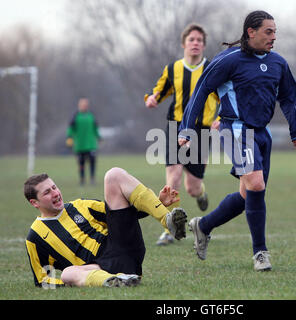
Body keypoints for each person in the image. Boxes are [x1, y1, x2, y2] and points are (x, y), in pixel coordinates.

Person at [178, 10, 296, 271]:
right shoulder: (229, 60)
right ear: (251, 32)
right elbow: (202, 90)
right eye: (268, 32)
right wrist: (186, 129)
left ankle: (203, 226)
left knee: (248, 194)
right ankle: (260, 253)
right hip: (235, 130)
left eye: (275, 32)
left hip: (261, 133)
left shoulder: (278, 63)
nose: (274, 37)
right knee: (256, 184)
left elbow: (288, 98)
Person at [24, 167, 187, 287]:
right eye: (47, 192)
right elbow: (42, 279)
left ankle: (167, 220)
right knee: (67, 273)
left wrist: (156, 203)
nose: (55, 193)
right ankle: (118, 281)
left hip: (121, 244)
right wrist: (66, 283)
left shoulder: (80, 206)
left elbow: (121, 214)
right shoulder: (35, 237)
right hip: (99, 268)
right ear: (34, 203)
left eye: (54, 187)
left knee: (113, 175)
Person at [145, 23, 220, 246]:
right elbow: (159, 90)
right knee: (174, 176)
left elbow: (225, 96)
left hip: (201, 130)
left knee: (192, 187)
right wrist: (151, 99)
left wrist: (221, 117)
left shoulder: (213, 69)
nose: (195, 43)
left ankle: (201, 193)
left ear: (204, 45)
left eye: (199, 40)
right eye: (191, 39)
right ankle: (169, 227)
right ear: (184, 44)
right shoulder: (173, 69)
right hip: (175, 126)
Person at [66, 97, 100, 186]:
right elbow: (71, 128)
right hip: (80, 145)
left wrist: (99, 137)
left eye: (86, 105)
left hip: (91, 145)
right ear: (79, 105)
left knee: (92, 162)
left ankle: (92, 179)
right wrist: (69, 137)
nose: (84, 106)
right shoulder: (76, 116)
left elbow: (95, 128)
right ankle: (82, 180)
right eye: (82, 105)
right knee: (81, 163)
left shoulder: (91, 116)